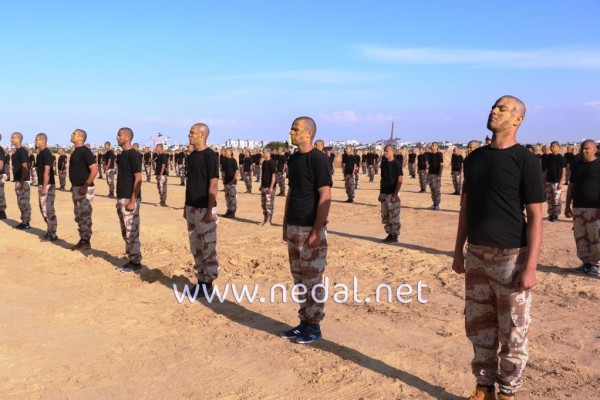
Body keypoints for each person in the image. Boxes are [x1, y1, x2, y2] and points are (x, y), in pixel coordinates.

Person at [452, 96, 544, 400]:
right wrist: (458, 250)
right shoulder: (475, 158)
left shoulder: (525, 160)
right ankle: (484, 388)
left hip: (511, 258)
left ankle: (507, 393)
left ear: (517, 120)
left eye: (503, 108)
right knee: (479, 327)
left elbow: (535, 217)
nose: (494, 110)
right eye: (494, 106)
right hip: (476, 254)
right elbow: (466, 208)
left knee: (513, 332)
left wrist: (530, 267)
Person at [280, 116, 332, 345]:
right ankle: (304, 322)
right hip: (294, 227)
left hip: (310, 228)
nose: (291, 132)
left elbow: (325, 195)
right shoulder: (293, 159)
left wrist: (316, 231)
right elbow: (291, 193)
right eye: (292, 129)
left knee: (313, 280)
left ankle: (314, 327)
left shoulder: (318, 159)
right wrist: (285, 224)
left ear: (308, 133)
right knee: (299, 278)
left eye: (295, 129)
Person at [184, 123, 220, 297]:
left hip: (205, 208)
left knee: (208, 246)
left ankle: (208, 283)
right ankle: (201, 280)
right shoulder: (191, 157)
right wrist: (186, 206)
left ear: (202, 134)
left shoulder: (210, 156)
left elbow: (213, 184)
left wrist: (209, 210)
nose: (189, 135)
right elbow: (190, 182)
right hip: (191, 207)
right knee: (195, 246)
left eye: (192, 133)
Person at [565, 139, 600, 277]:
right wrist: (567, 206)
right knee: (580, 237)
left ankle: (597, 265)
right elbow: (571, 187)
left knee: (595, 237)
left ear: (595, 150)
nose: (583, 151)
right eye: (582, 149)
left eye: (587, 148)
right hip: (578, 207)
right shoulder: (577, 166)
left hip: (594, 208)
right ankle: (586, 264)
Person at [115, 128, 143, 272]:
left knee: (132, 231)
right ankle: (131, 258)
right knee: (125, 231)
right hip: (122, 197)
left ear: (127, 137)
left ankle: (135, 262)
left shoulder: (133, 155)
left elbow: (138, 178)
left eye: (119, 135)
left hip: (129, 198)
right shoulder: (122, 155)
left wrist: (132, 200)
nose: (117, 137)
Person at [69, 129, 98, 251]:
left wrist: (85, 186)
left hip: (84, 188)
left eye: (74, 134)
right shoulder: (76, 151)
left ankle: (85, 241)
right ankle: (83, 239)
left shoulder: (85, 151)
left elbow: (94, 170)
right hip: (77, 188)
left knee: (84, 215)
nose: (71, 135)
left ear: (81, 137)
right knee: (79, 216)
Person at [35, 133, 59, 241]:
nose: (35, 142)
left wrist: (44, 187)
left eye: (37, 140)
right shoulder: (40, 154)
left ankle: (52, 234)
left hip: (47, 185)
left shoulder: (46, 153)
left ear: (42, 140)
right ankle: (50, 231)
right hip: (43, 184)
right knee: (43, 209)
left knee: (48, 209)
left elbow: (47, 171)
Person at [379, 145, 403, 243]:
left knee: (394, 216)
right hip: (384, 193)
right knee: (385, 216)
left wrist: (395, 194)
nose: (385, 153)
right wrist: (380, 193)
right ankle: (389, 234)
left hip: (392, 193)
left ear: (392, 152)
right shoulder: (384, 164)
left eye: (387, 151)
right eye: (384, 151)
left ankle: (394, 235)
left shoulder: (397, 164)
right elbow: (382, 179)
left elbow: (400, 179)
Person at [11, 133, 31, 229]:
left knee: (24, 202)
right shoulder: (17, 152)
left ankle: (26, 223)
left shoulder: (22, 151)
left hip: (23, 181)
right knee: (20, 202)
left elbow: (25, 167)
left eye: (13, 138)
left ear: (18, 139)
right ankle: (24, 221)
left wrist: (22, 181)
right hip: (19, 180)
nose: (11, 139)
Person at [544, 141, 566, 222]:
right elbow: (546, 170)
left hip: (557, 182)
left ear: (558, 147)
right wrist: (545, 180)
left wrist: (561, 182)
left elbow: (564, 171)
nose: (551, 148)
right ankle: (550, 215)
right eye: (551, 146)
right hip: (549, 181)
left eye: (553, 146)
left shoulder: (561, 158)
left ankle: (556, 215)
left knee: (556, 200)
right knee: (549, 199)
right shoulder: (548, 157)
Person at [260, 147, 277, 225]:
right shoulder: (264, 162)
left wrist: (271, 187)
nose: (263, 154)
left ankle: (269, 221)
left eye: (264, 152)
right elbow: (264, 174)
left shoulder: (272, 163)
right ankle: (265, 219)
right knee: (263, 204)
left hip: (269, 187)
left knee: (269, 204)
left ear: (268, 153)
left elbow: (274, 175)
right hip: (264, 186)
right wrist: (261, 185)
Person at [427, 142, 444, 209]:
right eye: (432, 145)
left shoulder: (439, 154)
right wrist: (428, 174)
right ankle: (434, 203)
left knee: (436, 189)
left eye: (434, 146)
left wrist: (440, 174)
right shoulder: (430, 154)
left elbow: (441, 165)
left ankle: (437, 205)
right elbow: (429, 165)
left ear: (437, 147)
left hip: (436, 174)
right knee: (432, 189)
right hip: (431, 173)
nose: (432, 147)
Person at [0, 134, 7, 219]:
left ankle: (2, 212)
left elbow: (1, 164)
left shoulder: (0, 149)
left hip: (0, 174)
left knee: (0, 194)